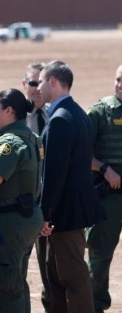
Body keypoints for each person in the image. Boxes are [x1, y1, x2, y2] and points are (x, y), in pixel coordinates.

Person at [37, 60, 106, 313]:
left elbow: (54, 175)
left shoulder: (60, 119)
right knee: (55, 274)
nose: (39, 87)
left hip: (64, 215)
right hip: (70, 211)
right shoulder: (76, 112)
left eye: (42, 81)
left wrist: (44, 215)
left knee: (73, 277)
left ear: (53, 81)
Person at [0, 89, 44, 312]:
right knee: (15, 281)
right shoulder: (30, 137)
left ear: (9, 111)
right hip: (24, 219)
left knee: (2, 287)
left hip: (9, 223)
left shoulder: (9, 143)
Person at [86, 64, 122, 313]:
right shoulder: (100, 111)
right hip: (108, 195)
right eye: (118, 79)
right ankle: (95, 305)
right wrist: (104, 169)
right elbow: (81, 153)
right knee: (100, 254)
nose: (120, 84)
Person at [21, 62, 51, 313]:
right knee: (20, 268)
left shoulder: (55, 115)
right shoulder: (17, 118)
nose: (37, 88)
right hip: (24, 206)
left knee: (51, 267)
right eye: (33, 83)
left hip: (50, 203)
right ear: (24, 86)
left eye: (41, 82)